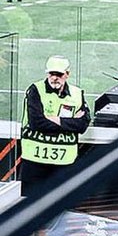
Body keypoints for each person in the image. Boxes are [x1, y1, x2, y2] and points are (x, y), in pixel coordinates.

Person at [20, 54, 90, 199]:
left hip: (64, 165)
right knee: (29, 209)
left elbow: (82, 124)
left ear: (67, 74)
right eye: (52, 74)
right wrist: (69, 122)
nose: (54, 78)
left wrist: (56, 120)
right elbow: (37, 123)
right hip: (35, 163)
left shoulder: (77, 94)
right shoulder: (35, 90)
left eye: (59, 74)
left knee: (61, 206)